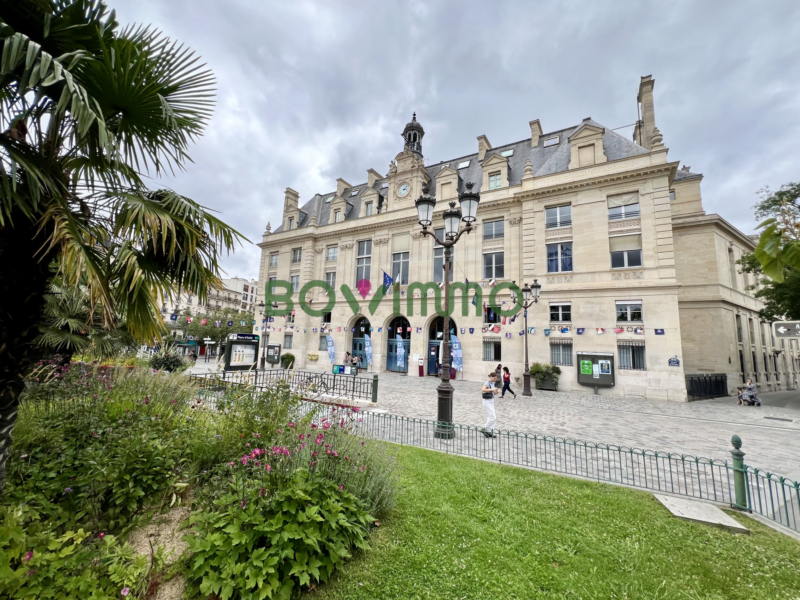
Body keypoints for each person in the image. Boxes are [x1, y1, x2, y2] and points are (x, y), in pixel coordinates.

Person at [481, 372, 500, 438]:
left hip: (491, 401)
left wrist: (496, 391)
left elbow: (493, 393)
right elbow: (483, 389)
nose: (495, 380)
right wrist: (492, 389)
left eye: (496, 378)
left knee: (491, 417)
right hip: (486, 401)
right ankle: (484, 428)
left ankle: (490, 432)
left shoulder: (493, 383)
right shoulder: (487, 382)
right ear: (491, 377)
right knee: (493, 417)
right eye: (494, 378)